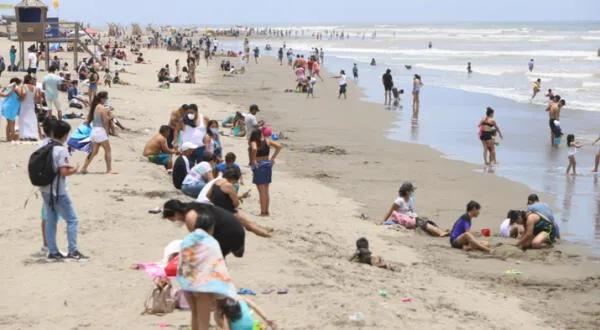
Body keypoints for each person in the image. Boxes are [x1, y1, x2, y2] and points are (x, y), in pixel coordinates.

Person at [175, 211, 238, 330]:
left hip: (187, 283)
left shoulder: (187, 240)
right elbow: (217, 265)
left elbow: (182, 262)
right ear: (211, 227)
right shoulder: (211, 242)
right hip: (203, 286)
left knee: (194, 314)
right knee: (204, 321)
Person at [40, 120, 88, 261]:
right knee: (72, 219)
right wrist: (74, 169)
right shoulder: (61, 150)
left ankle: (53, 251)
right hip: (58, 190)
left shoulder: (43, 145)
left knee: (50, 219)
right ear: (65, 135)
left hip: (45, 188)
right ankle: (73, 251)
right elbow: (63, 172)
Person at [162, 200, 246, 258]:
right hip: (236, 227)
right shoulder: (193, 206)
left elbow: (200, 239)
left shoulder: (190, 217)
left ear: (176, 213)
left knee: (214, 258)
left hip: (228, 231)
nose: (177, 221)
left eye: (174, 219)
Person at [207, 167, 272, 238]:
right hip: (228, 211)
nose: (236, 183)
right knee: (249, 225)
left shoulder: (216, 182)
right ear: (233, 178)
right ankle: (269, 236)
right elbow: (236, 203)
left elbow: (208, 196)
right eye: (236, 181)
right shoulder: (228, 185)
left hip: (215, 210)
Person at [379, 182, 449, 237]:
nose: (413, 192)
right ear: (407, 192)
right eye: (412, 190)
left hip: (411, 218)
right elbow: (390, 211)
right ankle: (440, 233)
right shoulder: (399, 201)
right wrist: (382, 221)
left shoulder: (409, 199)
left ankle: (440, 230)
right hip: (403, 220)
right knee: (420, 222)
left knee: (425, 220)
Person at [81, 92, 117, 174]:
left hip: (94, 131)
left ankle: (84, 168)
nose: (106, 100)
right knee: (108, 150)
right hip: (100, 131)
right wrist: (107, 132)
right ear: (102, 99)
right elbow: (105, 122)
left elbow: (91, 119)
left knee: (94, 151)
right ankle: (109, 169)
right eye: (105, 98)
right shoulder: (103, 108)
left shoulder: (95, 107)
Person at [249, 129, 282, 216]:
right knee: (266, 190)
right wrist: (273, 157)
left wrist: (253, 160)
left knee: (261, 191)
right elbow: (279, 146)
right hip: (267, 164)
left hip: (259, 165)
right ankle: (266, 211)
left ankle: (263, 212)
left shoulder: (254, 142)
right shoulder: (267, 141)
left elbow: (254, 149)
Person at [19, 74, 41, 141]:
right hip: (31, 105)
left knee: (23, 119)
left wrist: (20, 98)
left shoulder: (23, 86)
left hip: (24, 105)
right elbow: (36, 99)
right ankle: (33, 135)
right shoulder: (35, 88)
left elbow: (23, 95)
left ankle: (24, 135)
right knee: (32, 119)